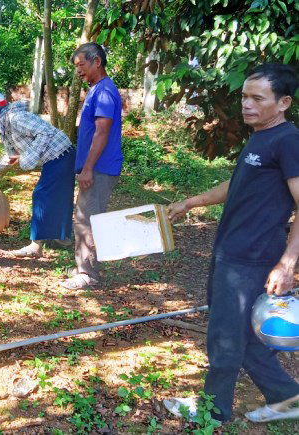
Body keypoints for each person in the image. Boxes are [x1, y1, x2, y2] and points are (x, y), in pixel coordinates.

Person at [163, 63, 299, 424]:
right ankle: (288, 397)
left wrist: (287, 264)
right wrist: (191, 202)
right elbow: (237, 184)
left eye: (258, 98)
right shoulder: (261, 137)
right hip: (233, 251)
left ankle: (213, 409)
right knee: (248, 332)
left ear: (283, 102)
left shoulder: (288, 141)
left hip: (251, 258)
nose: (246, 104)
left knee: (225, 334)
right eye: (244, 96)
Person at [0, 91, 75, 257]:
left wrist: (28, 157)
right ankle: (62, 239)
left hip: (61, 155)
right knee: (58, 196)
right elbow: (10, 158)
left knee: (41, 195)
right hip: (58, 158)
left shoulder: (16, 118)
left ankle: (36, 247)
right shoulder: (6, 128)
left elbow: (45, 132)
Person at [60, 43, 123, 290]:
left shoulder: (105, 91)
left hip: (99, 167)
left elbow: (102, 132)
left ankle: (87, 274)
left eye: (81, 65)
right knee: (85, 217)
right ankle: (83, 266)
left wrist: (87, 169)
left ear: (97, 61)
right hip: (95, 166)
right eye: (76, 67)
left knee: (86, 219)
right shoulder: (97, 89)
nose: (78, 71)